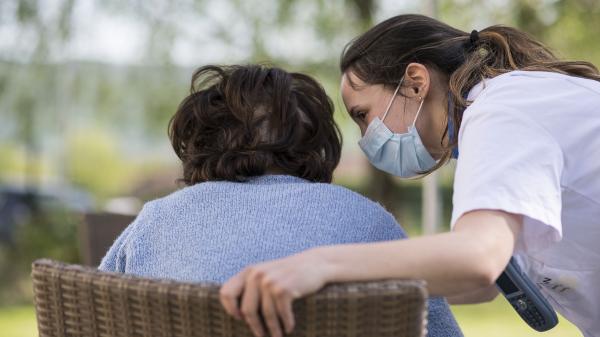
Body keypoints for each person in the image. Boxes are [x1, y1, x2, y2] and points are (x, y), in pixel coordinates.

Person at [219, 14, 600, 337]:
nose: (365, 137)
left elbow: (479, 257)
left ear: (415, 82)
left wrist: (319, 265)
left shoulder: (501, 112)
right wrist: (337, 293)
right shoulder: (498, 119)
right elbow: (488, 281)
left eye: (363, 115)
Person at [98, 64, 463, 337]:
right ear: (315, 143)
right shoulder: (372, 222)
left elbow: (95, 316)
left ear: (203, 140)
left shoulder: (157, 221)